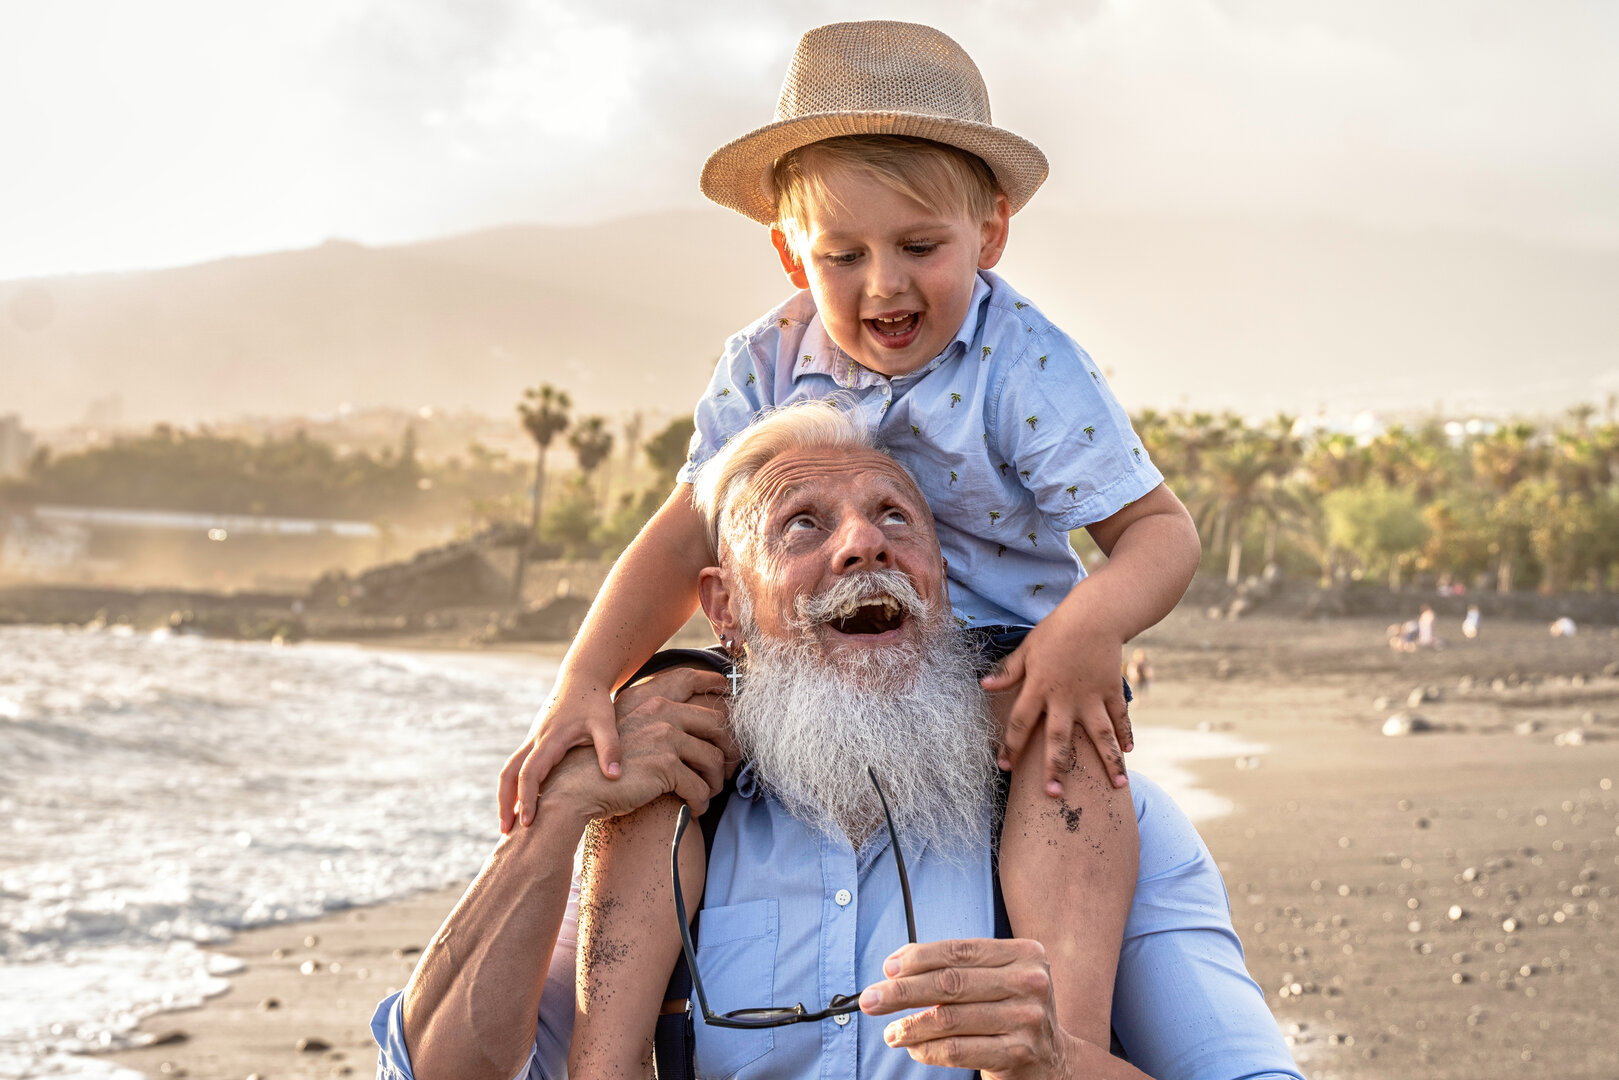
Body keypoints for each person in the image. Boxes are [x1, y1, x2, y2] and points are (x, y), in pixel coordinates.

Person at [374, 413, 1300, 1080]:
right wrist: (555, 818)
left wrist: (1061, 1066)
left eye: (896, 518)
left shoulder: (1093, 807)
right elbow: (432, 1073)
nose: (864, 546)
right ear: (726, 610)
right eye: (802, 525)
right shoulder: (664, 823)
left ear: (939, 582)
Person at [498, 11, 1198, 887]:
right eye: (842, 255)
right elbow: (686, 538)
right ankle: (624, 1018)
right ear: (792, 257)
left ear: (989, 233)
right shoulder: (766, 361)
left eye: (919, 245)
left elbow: (1163, 534)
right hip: (818, 647)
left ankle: (1069, 1008)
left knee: (1067, 749)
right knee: (662, 732)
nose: (885, 283)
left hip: (1004, 652)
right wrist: (585, 683)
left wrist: (1084, 630)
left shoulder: (1024, 363)